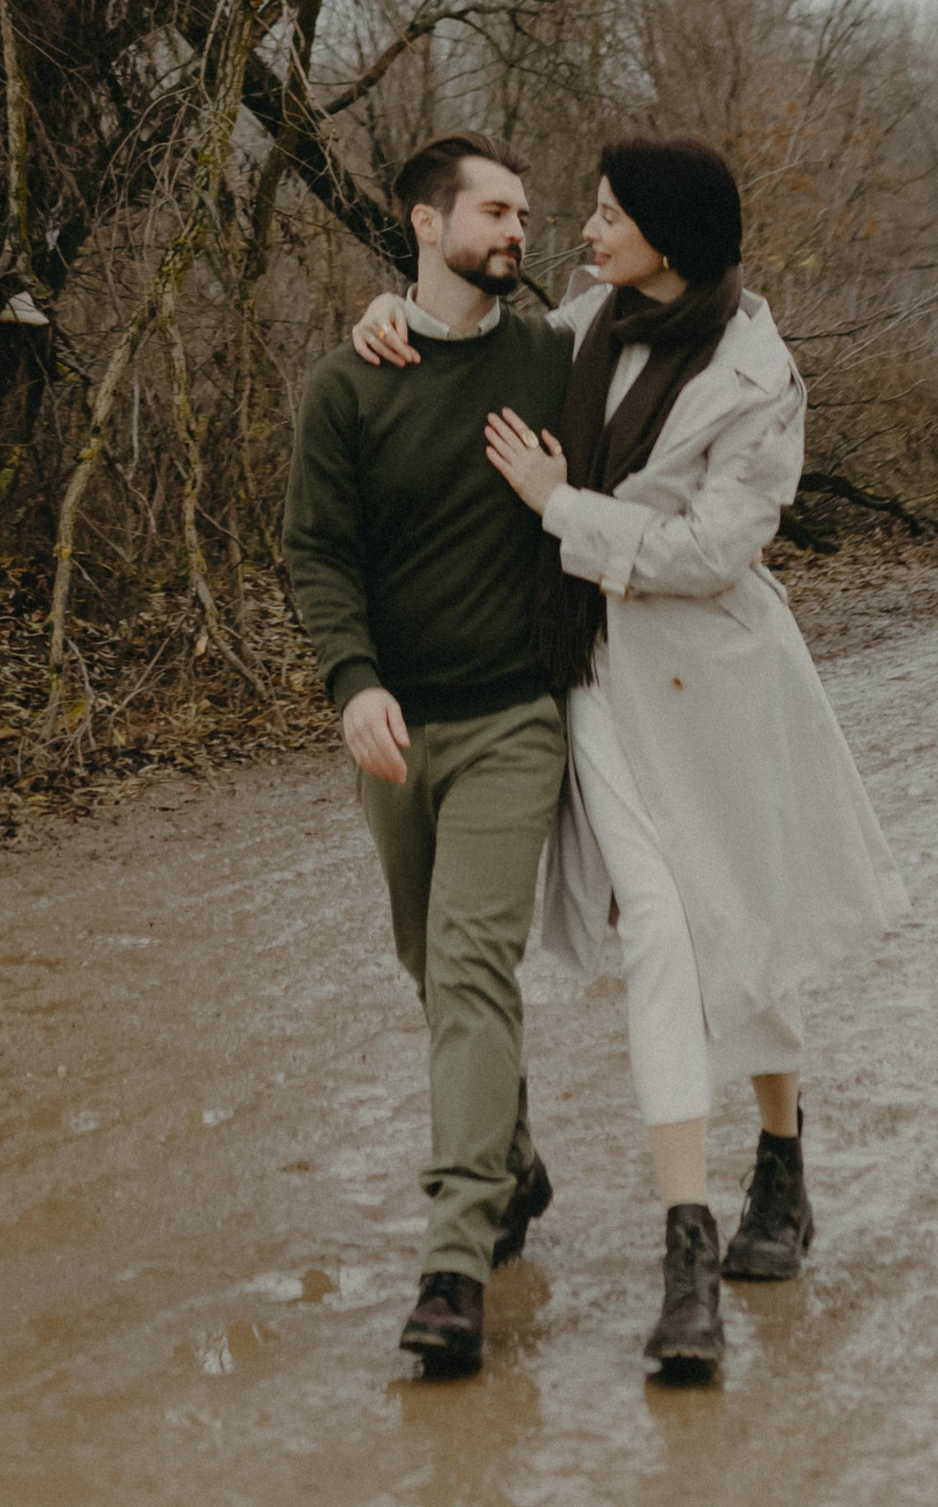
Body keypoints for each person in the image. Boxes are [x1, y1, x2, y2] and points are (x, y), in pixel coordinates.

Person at [351, 137, 907, 1380]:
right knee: (663, 925)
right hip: (596, 671)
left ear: (669, 235)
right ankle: (685, 1249)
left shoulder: (757, 377)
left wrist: (562, 511)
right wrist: (391, 308)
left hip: (712, 677)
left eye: (606, 215)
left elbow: (714, 550)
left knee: (743, 920)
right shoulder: (587, 325)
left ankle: (780, 1159)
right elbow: (466, 336)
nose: (581, 232)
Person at [281, 133, 577, 1376]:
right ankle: (509, 1154)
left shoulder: (555, 361)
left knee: (466, 968)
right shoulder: (349, 386)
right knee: (430, 962)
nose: (518, 231)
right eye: (495, 211)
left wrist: (568, 496)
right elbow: (318, 556)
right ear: (423, 222)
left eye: (524, 213)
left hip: (515, 719)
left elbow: (680, 339)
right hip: (398, 728)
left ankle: (453, 1267)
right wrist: (352, 686)